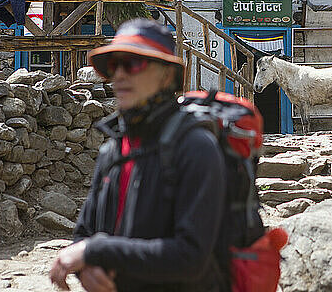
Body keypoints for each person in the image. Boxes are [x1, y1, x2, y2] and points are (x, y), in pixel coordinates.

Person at [49, 18, 228, 292]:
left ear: (167, 75)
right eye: (114, 66)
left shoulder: (195, 147)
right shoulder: (113, 149)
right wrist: (86, 267)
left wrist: (96, 251)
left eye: (133, 64)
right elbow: (84, 234)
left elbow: (190, 256)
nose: (120, 75)